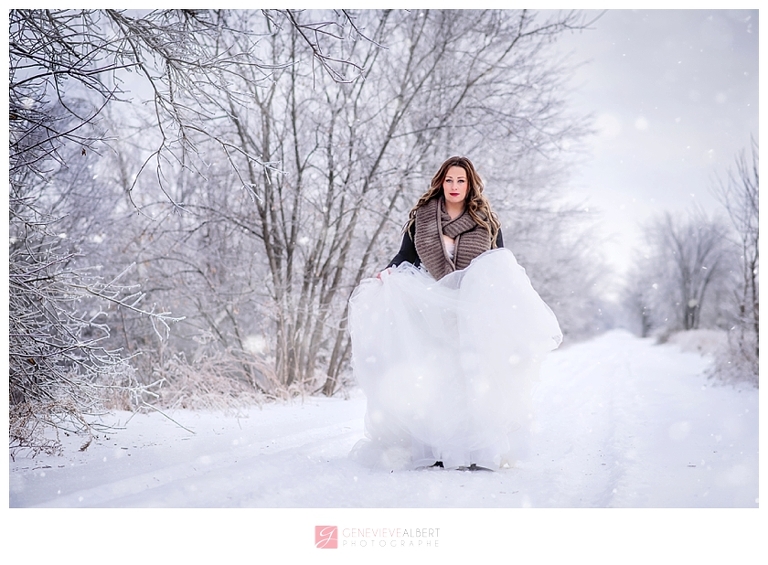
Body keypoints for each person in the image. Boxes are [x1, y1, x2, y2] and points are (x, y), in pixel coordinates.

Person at [348, 156, 562, 472]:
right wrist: (387, 273)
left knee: (472, 376)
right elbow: (404, 256)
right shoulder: (421, 219)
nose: (455, 186)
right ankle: (436, 449)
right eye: (449, 180)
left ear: (470, 183)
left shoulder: (486, 219)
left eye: (461, 180)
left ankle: (476, 451)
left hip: (472, 312)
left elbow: (499, 263)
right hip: (431, 308)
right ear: (441, 182)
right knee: (436, 377)